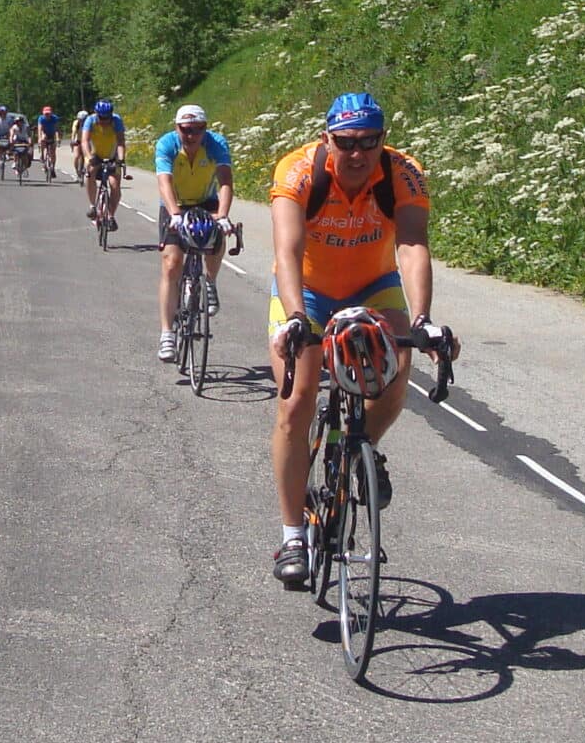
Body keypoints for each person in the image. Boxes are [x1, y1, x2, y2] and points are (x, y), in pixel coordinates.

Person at [265, 93, 446, 589]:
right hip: (307, 291)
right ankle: (293, 534)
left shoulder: (402, 173)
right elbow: (287, 249)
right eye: (346, 142)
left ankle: (361, 443)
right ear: (328, 139)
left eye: (370, 141)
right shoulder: (299, 171)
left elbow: (411, 244)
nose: (358, 153)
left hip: (371, 287)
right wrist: (296, 318)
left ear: (382, 140)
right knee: (296, 400)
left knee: (399, 356)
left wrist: (425, 317)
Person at [153, 103, 234, 363]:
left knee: (217, 238)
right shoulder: (166, 144)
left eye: (198, 130)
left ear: (205, 129)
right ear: (177, 128)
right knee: (171, 263)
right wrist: (175, 214)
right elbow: (164, 181)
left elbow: (225, 181)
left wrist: (222, 215)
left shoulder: (215, 143)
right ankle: (167, 333)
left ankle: (209, 281)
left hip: (206, 202)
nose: (191, 135)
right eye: (186, 129)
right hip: (175, 204)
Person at [81, 99, 126, 221]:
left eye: (107, 118)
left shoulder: (116, 120)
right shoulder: (90, 120)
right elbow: (84, 141)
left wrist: (121, 159)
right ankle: (92, 206)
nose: (104, 121)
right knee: (90, 173)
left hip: (112, 156)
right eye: (102, 118)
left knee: (115, 186)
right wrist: (89, 157)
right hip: (94, 155)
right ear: (97, 114)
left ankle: (111, 216)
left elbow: (121, 142)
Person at [34, 105, 61, 179]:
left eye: (48, 114)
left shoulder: (54, 118)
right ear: (43, 113)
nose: (47, 115)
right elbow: (40, 129)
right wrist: (39, 138)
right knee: (43, 139)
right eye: (46, 114)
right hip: (44, 133)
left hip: (52, 134)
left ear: (51, 113)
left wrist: (58, 138)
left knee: (53, 152)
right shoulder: (41, 119)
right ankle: (43, 155)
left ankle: (52, 168)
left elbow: (57, 129)